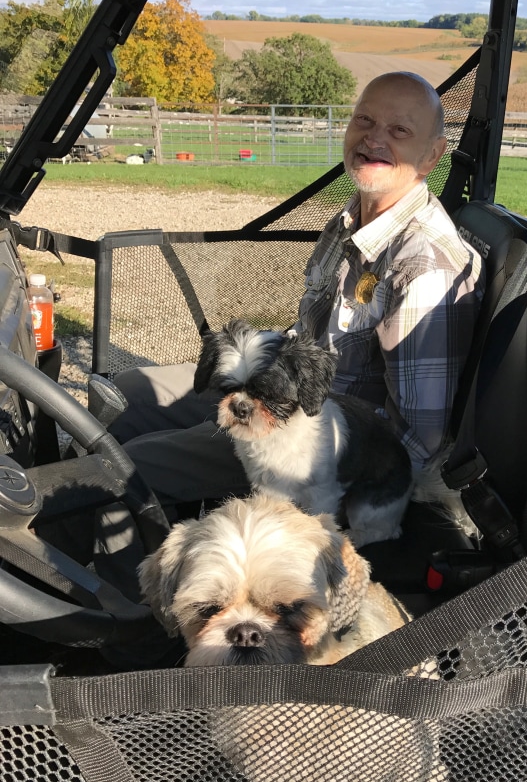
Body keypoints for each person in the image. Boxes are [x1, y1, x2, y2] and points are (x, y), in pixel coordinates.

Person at [110, 71, 484, 508]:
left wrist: (297, 450)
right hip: (289, 393)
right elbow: (310, 332)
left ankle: (100, 566)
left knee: (123, 470)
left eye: (399, 130)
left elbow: (415, 443)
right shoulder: (351, 221)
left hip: (311, 448)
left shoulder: (423, 269)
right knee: (129, 392)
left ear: (431, 155)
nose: (373, 139)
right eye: (364, 120)